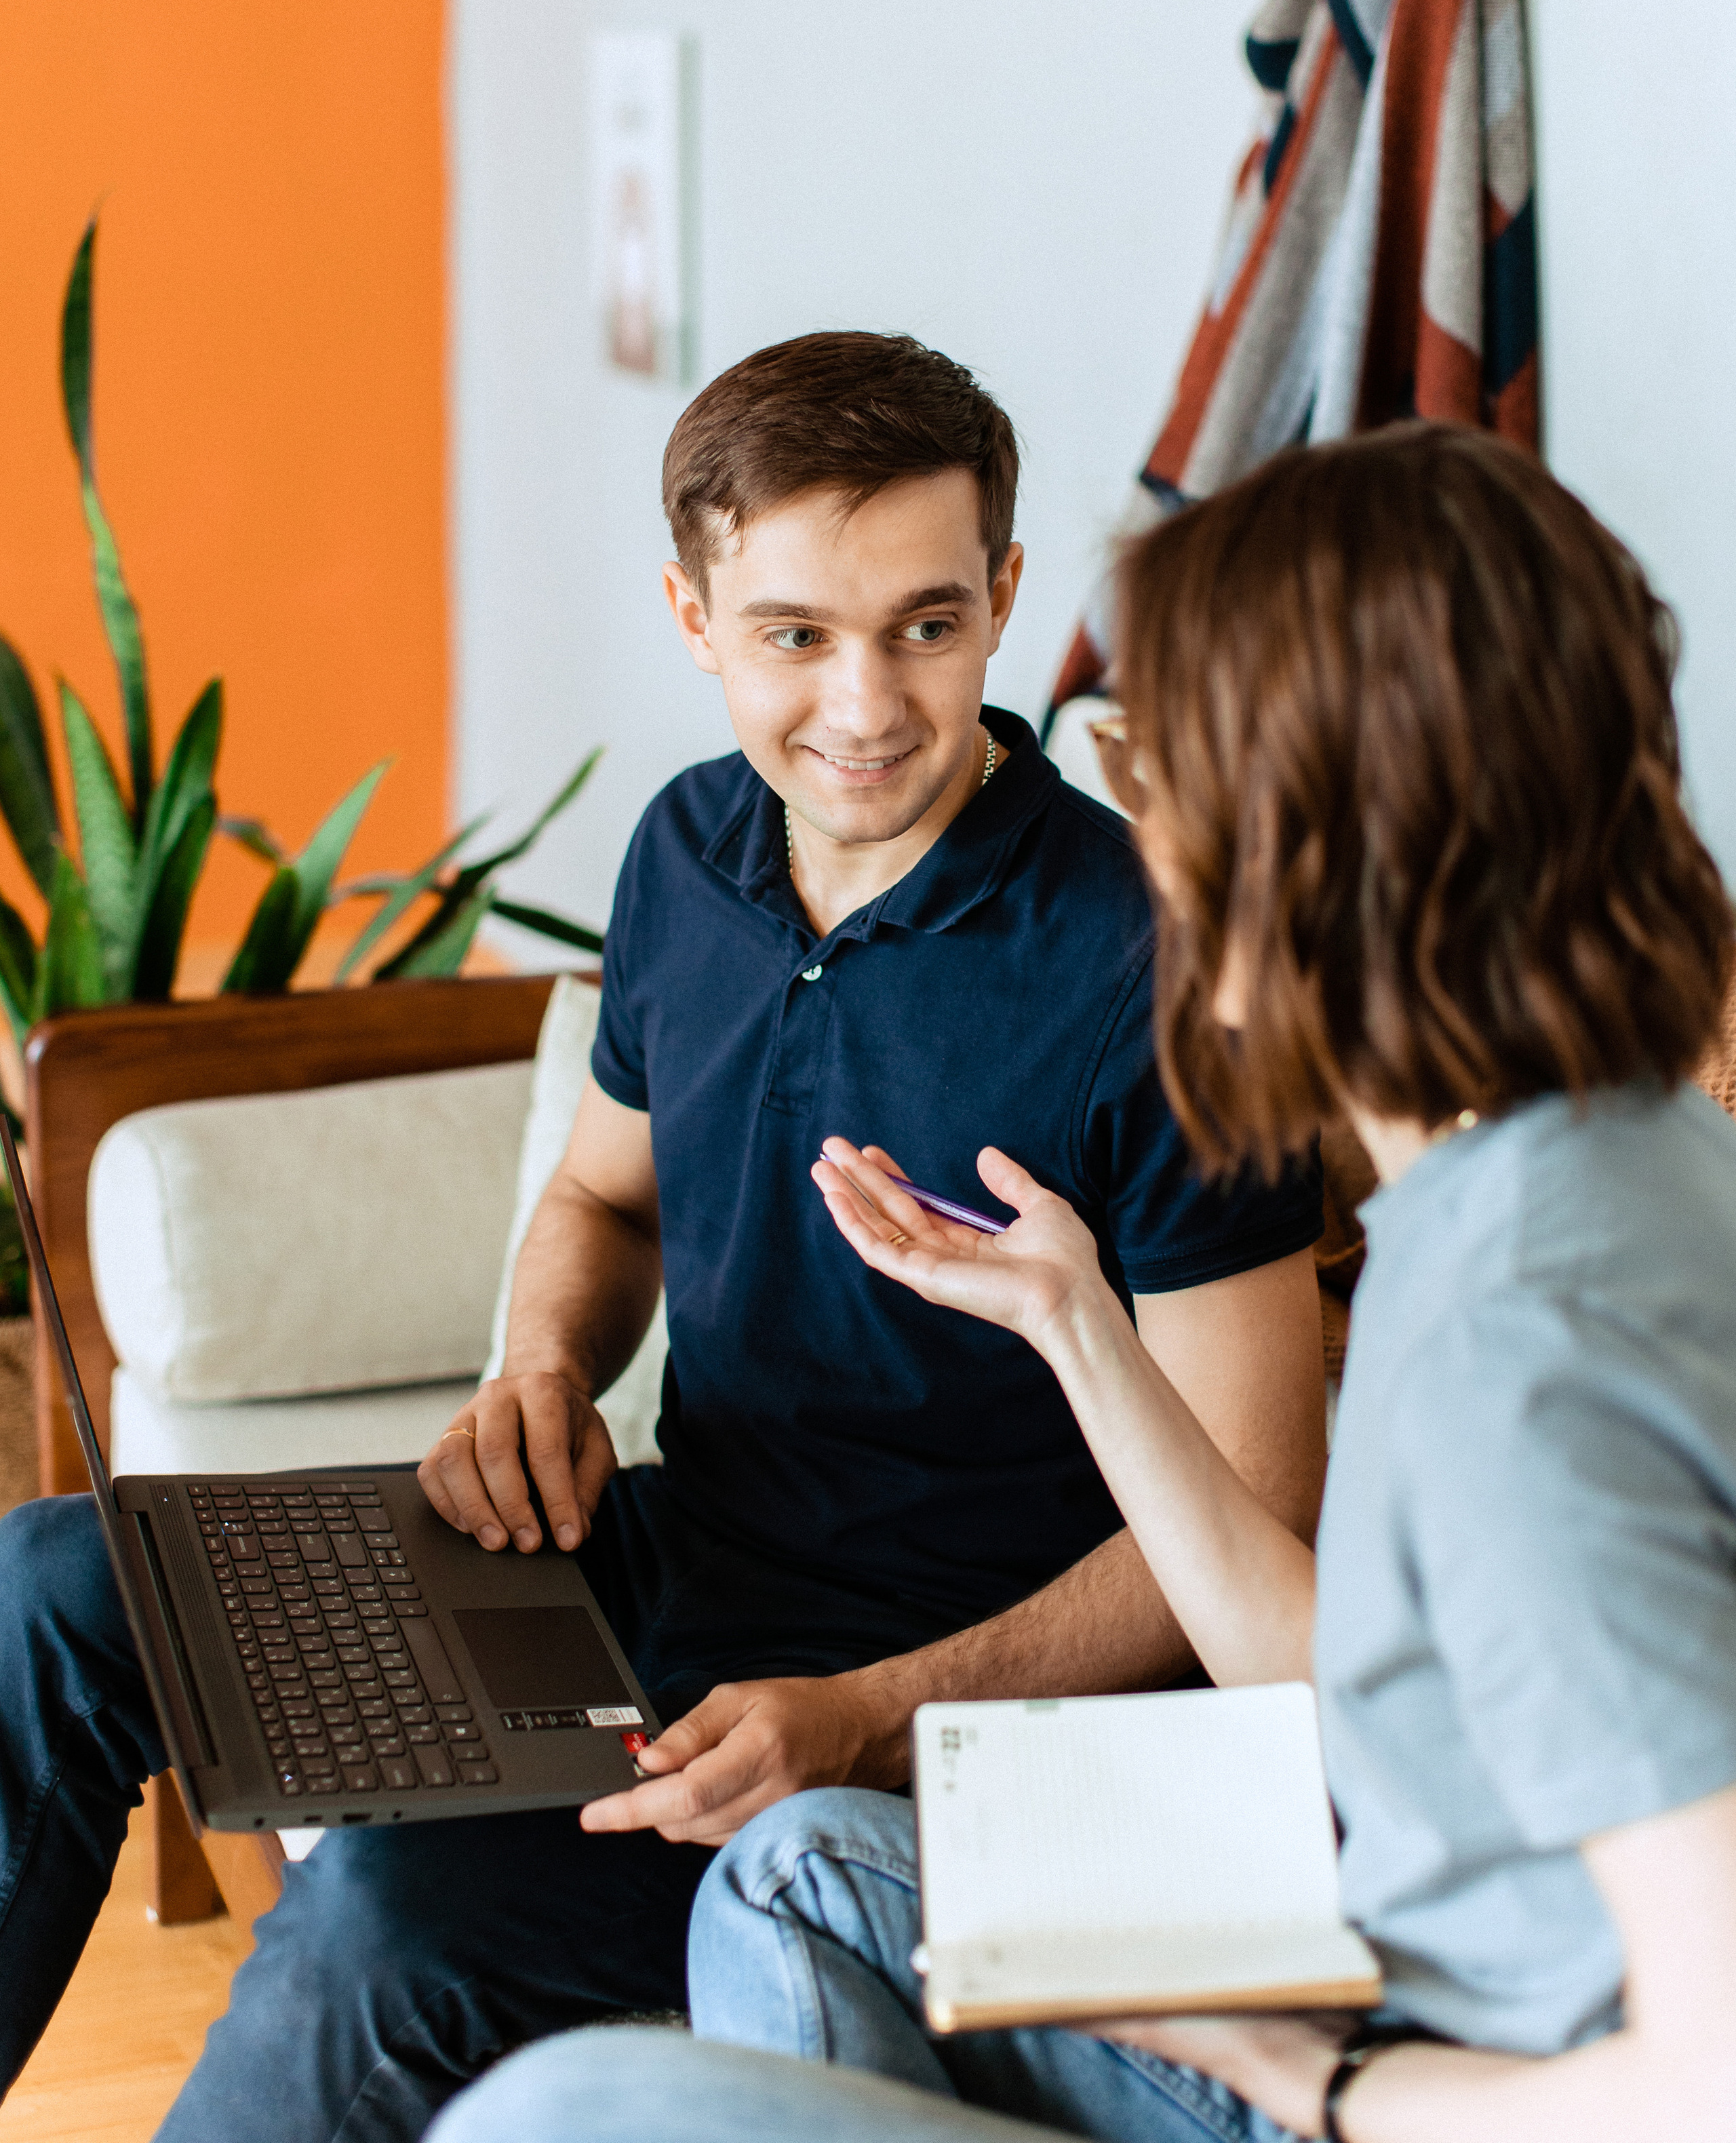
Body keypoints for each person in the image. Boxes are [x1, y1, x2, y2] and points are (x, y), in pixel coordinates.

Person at [0, 333, 1327, 2136]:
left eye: (926, 626)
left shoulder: (1157, 966)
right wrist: (540, 1360)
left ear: (1005, 596)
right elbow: (603, 1195)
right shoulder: (686, 851)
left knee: (389, 1923)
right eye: (794, 636)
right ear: (693, 613)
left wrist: (863, 1713)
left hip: (947, 1731)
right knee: (57, 1591)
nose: (864, 705)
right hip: (656, 1579)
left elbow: (1252, 1529)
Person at [425, 425, 1736, 2143]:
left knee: (559, 2113)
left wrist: (1332, 2083)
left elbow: (1707, 2074)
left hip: (1434, 2064)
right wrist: (1073, 1323)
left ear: (1315, 841)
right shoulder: (1585, 1161)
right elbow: (1333, 1672)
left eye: (1165, 768)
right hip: (1382, 1941)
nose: (1146, 837)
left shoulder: (1523, 1351)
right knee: (800, 1871)